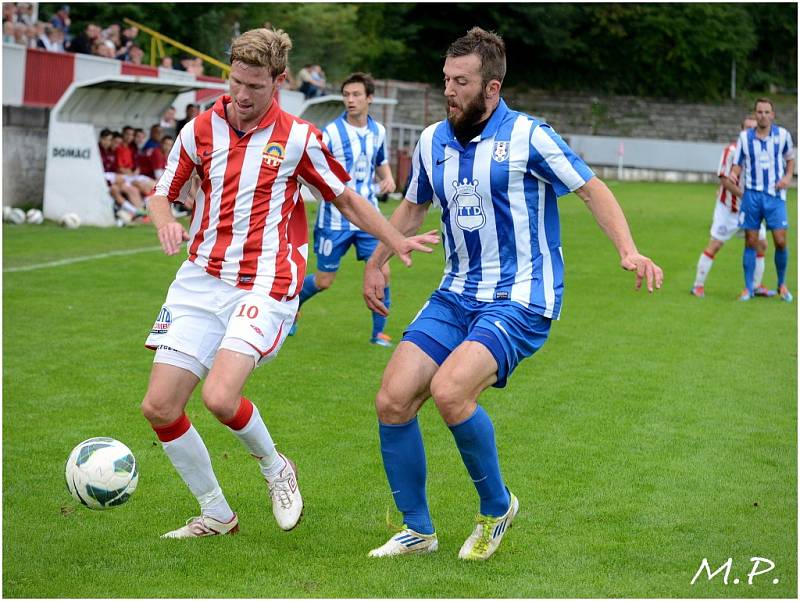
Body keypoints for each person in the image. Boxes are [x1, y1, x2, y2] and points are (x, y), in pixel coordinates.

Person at [362, 27, 662, 561]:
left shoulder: (530, 136)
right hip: (456, 293)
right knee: (392, 399)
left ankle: (497, 509)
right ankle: (418, 530)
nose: (450, 90)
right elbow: (412, 207)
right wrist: (378, 262)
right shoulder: (433, 140)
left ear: (492, 88)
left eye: (462, 81)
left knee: (453, 392)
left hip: (522, 296)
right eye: (446, 79)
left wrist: (628, 249)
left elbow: (591, 188)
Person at [140, 27, 437, 539]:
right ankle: (216, 513)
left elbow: (346, 198)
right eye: (236, 82)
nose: (242, 95)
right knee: (159, 406)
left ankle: (277, 468)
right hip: (199, 279)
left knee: (219, 397)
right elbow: (161, 191)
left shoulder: (299, 138)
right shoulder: (199, 130)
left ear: (279, 82)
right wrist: (166, 218)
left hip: (265, 282)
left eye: (255, 86)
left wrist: (394, 238)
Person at [291, 72, 397, 345]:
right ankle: (291, 307)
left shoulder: (379, 131)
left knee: (383, 271)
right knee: (325, 280)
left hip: (367, 218)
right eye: (347, 95)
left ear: (369, 98)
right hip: (334, 218)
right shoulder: (330, 134)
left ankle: (378, 333)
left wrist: (387, 177)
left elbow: (380, 160)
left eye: (356, 95)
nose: (350, 100)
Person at [692, 116, 773, 298]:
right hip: (728, 209)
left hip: (752, 210)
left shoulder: (762, 151)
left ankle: (756, 286)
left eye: (754, 129)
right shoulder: (731, 151)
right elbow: (723, 178)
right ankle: (698, 286)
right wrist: (745, 196)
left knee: (762, 244)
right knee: (716, 244)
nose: (751, 132)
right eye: (747, 128)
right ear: (741, 131)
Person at [731, 98, 795, 302]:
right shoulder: (744, 138)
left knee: (780, 241)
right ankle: (748, 288)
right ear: (755, 113)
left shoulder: (783, 135)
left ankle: (782, 284)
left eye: (767, 112)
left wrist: (787, 177)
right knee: (751, 240)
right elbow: (737, 164)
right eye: (759, 112)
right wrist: (734, 174)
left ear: (773, 114)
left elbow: (790, 159)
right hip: (751, 195)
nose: (763, 115)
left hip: (775, 196)